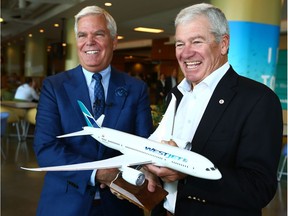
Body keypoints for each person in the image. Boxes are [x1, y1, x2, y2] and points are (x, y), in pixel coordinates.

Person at [146, 3, 283, 216]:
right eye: (180, 44)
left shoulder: (258, 100)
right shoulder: (176, 94)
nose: (186, 53)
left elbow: (259, 188)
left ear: (223, 44)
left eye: (197, 41)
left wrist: (186, 171)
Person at [33, 5, 153, 216]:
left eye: (98, 34)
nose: (89, 41)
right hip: (65, 204)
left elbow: (144, 146)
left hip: (120, 205)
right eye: (82, 35)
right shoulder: (54, 87)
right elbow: (46, 148)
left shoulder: (136, 89)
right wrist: (96, 172)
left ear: (114, 41)